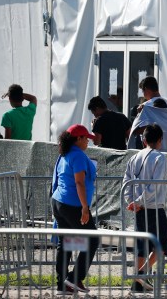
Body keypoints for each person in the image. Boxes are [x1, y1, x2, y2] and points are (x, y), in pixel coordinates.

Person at [50, 124, 99, 295]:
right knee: (93, 239)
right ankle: (73, 278)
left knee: (66, 243)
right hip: (73, 204)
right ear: (78, 139)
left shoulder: (65, 153)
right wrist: (85, 207)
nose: (88, 142)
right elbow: (79, 182)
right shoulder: (77, 155)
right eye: (86, 138)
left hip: (58, 201)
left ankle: (62, 284)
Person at [122, 124, 167, 292]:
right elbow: (155, 186)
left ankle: (138, 281)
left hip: (139, 208)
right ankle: (140, 275)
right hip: (154, 206)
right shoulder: (159, 157)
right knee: (162, 246)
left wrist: (131, 200)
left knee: (143, 245)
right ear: (160, 140)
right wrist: (139, 201)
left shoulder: (134, 157)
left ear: (144, 140)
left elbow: (126, 181)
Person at [128, 76, 167, 152]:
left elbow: (135, 131)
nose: (144, 95)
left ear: (146, 89)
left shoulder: (145, 107)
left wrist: (138, 115)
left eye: (143, 92)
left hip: (156, 153)